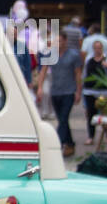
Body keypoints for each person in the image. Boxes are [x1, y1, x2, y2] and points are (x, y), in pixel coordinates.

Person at [35, 26, 82, 156]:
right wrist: (40, 87)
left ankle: (57, 144)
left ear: (65, 41)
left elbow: (78, 74)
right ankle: (70, 144)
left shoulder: (73, 55)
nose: (58, 44)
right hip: (55, 91)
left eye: (60, 41)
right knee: (63, 120)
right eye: (56, 41)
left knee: (63, 118)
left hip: (69, 91)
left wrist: (78, 91)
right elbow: (43, 70)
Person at [81, 36, 107, 144]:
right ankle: (91, 136)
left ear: (102, 49)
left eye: (99, 48)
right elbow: (84, 73)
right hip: (90, 90)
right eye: (95, 48)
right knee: (90, 114)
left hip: (105, 91)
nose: (97, 50)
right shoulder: (89, 59)